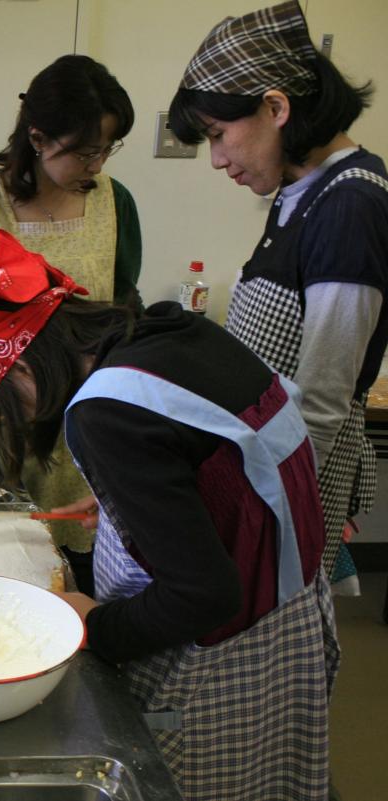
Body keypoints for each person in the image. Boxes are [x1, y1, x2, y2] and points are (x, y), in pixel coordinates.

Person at [0, 230, 338, 801]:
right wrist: (127, 507)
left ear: (24, 366)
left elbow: (204, 596)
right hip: (293, 619)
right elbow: (228, 481)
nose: (17, 412)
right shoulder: (179, 333)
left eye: (4, 398)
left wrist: (88, 624)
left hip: (220, 665)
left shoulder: (105, 413)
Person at [168, 0, 387, 592]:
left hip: (283, 486)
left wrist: (245, 506)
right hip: (257, 469)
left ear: (275, 107)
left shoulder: (352, 206)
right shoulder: (302, 194)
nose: (217, 160)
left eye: (218, 135)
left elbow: (319, 402)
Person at [0, 54, 142, 595]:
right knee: (3, 583)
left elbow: (125, 315)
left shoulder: (118, 205)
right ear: (39, 138)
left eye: (107, 149)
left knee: (88, 586)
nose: (97, 162)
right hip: (0, 431)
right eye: (86, 149)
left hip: (90, 433)